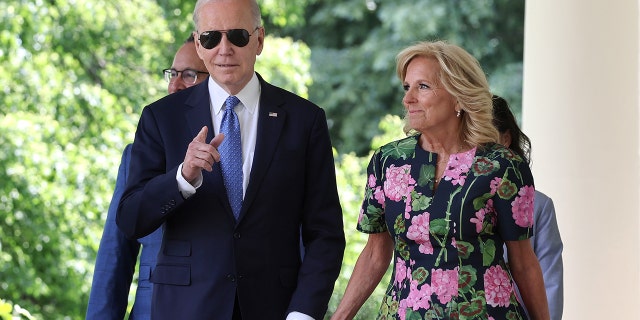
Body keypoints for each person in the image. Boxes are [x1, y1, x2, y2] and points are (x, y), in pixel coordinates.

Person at [115, 0, 345, 319]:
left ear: (259, 40)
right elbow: (130, 219)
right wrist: (182, 178)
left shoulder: (305, 120)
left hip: (276, 309)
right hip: (185, 309)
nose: (224, 49)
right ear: (198, 43)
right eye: (211, 38)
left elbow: (326, 234)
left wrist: (303, 313)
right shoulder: (161, 118)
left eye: (237, 36)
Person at [330, 41, 550, 319]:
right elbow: (375, 254)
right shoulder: (388, 161)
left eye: (422, 87)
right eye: (406, 87)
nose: (408, 99)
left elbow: (523, 263)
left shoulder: (503, 166)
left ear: (459, 97)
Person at [86, 35, 208, 319]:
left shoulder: (246, 152)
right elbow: (114, 259)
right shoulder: (137, 155)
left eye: (189, 75)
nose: (175, 85)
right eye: (172, 74)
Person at [493, 95, 564, 320]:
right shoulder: (448, 206)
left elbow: (550, 282)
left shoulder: (540, 206)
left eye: (483, 137)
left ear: (505, 139)